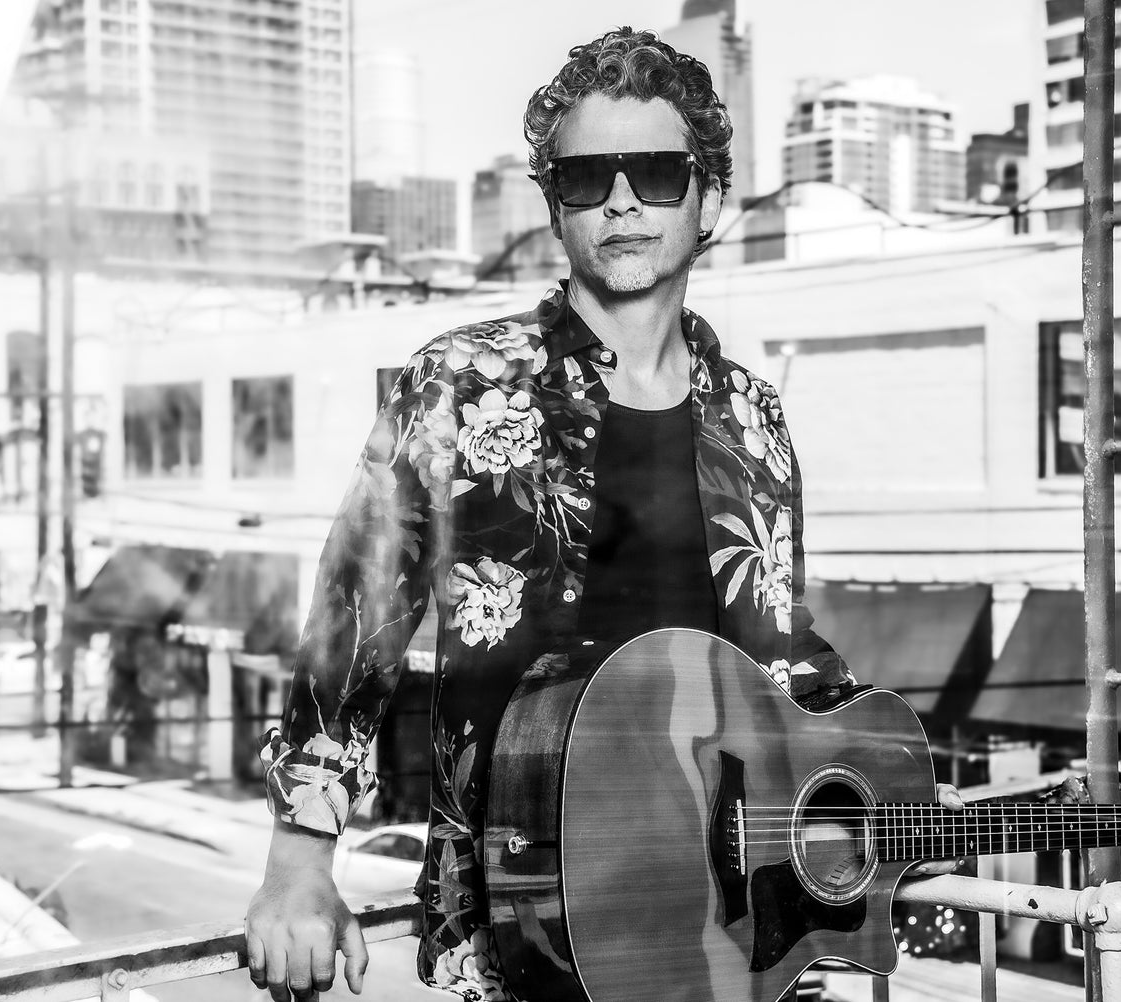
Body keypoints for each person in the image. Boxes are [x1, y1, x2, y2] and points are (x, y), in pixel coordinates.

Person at [244, 27, 962, 1002]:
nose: (622, 201)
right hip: (519, 933)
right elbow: (352, 627)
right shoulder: (459, 387)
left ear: (709, 198)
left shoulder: (752, 419)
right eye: (589, 178)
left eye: (657, 173)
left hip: (735, 940)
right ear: (556, 208)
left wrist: (882, 774)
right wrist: (299, 865)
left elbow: (778, 657)